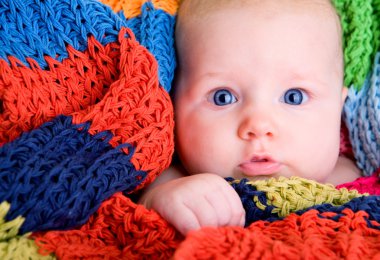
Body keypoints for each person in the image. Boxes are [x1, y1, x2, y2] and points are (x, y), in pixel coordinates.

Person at [139, 0, 362, 236]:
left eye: (294, 97)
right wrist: (157, 200)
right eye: (222, 97)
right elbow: (129, 218)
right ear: (172, 102)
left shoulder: (358, 181)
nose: (259, 126)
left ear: (338, 108)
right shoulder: (171, 184)